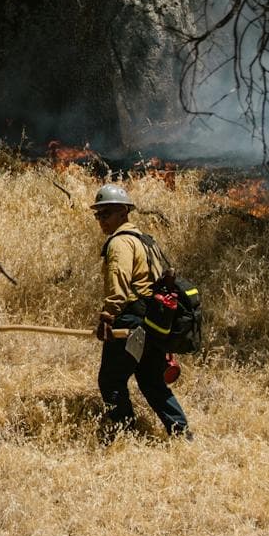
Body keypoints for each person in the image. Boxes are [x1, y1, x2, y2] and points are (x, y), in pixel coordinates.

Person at [91, 184, 192, 440]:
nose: (101, 220)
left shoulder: (120, 243)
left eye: (106, 213)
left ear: (124, 212)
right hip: (152, 322)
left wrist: (107, 316)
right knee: (151, 381)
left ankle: (123, 435)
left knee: (111, 381)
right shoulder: (146, 241)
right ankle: (181, 435)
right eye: (98, 214)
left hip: (129, 321)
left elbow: (119, 282)